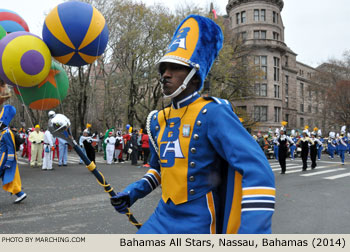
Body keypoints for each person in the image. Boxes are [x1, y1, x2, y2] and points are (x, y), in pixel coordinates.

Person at [110, 15, 275, 234]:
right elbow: (159, 170)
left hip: (201, 221)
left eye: (175, 68)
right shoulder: (158, 120)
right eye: (164, 68)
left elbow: (258, 171)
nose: (165, 75)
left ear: (195, 77)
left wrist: (251, 234)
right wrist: (133, 192)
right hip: (163, 216)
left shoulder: (213, 113)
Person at [0, 105, 27, 203]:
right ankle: (20, 194)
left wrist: (9, 161)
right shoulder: (4, 132)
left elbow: (11, 148)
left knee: (6, 176)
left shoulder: (7, 133)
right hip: (2, 157)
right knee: (6, 176)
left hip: (3, 159)